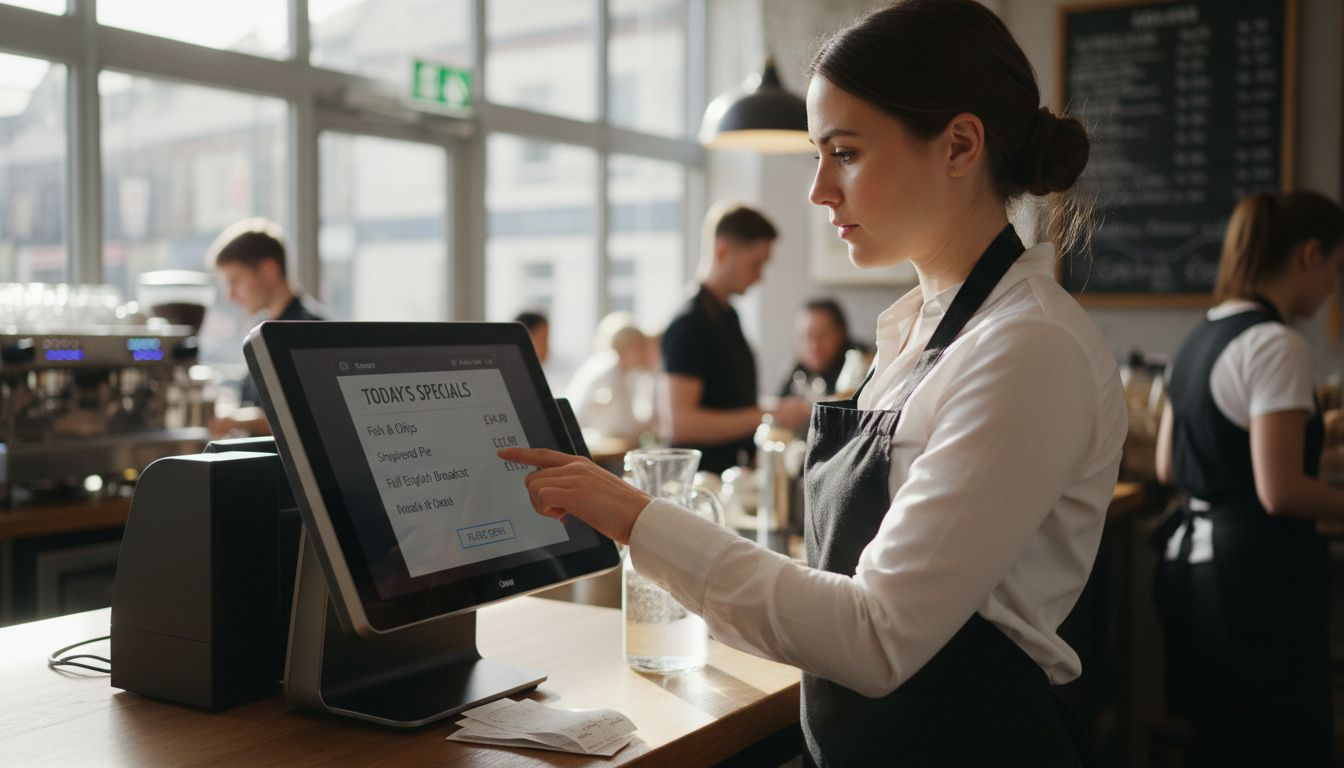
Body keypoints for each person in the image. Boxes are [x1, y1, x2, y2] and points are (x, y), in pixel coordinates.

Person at [500, 1, 1126, 764]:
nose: (818, 190)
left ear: (960, 145)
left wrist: (636, 518)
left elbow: (875, 634)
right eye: (817, 155)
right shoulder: (916, 333)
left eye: (846, 153)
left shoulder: (1029, 348)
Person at [1153, 192, 1344, 767]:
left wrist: (1320, 434)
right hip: (1254, 582)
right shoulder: (1278, 344)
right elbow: (1280, 491)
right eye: (1336, 270)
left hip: (1193, 573)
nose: (1333, 289)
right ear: (1310, 255)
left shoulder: (1201, 335)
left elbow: (1171, 466)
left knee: (1221, 739)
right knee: (1277, 743)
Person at [660, 203, 811, 473]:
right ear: (722, 252)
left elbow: (729, 402)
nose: (760, 276)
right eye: (755, 264)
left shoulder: (727, 315)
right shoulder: (689, 323)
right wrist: (769, 414)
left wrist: (777, 409)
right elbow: (681, 424)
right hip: (704, 481)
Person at [208, 218, 323, 436]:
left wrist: (239, 420)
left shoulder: (310, 332)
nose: (230, 295)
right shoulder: (265, 331)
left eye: (235, 281)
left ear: (268, 270)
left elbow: (311, 419)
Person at [566, 312, 657, 445]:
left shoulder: (624, 372)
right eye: (641, 347)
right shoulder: (608, 371)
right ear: (629, 348)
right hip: (580, 442)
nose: (646, 353)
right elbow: (623, 427)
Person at [777, 298, 868, 398]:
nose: (814, 346)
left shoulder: (860, 363)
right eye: (806, 336)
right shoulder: (797, 369)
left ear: (840, 334)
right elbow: (780, 402)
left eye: (822, 335)